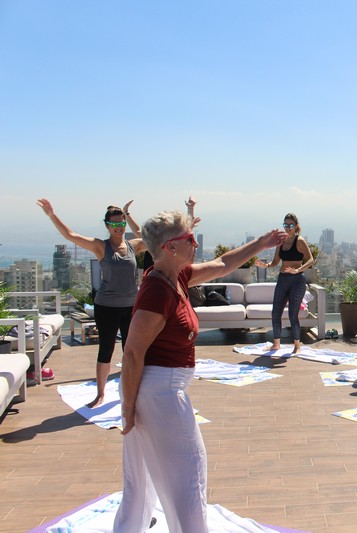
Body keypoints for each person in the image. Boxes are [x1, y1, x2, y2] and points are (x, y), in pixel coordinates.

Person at [113, 209, 285, 531]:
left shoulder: (174, 276)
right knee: (189, 475)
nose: (195, 243)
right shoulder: (156, 291)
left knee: (146, 482)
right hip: (159, 391)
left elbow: (223, 265)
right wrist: (128, 409)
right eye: (188, 238)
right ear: (169, 248)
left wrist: (260, 244)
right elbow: (133, 353)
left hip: (156, 390)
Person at [37, 198, 147, 408]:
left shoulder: (133, 246)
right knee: (105, 350)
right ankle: (100, 394)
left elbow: (145, 236)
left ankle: (132, 391)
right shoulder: (101, 246)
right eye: (114, 224)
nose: (119, 227)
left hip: (130, 306)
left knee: (130, 351)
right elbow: (71, 236)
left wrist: (128, 215)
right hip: (106, 307)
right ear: (107, 226)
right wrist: (52, 214)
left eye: (121, 223)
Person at [256, 213, 314, 354]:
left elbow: (310, 260)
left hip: (297, 280)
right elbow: (276, 262)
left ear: (296, 227)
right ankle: (276, 344)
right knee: (276, 313)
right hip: (282, 279)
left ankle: (297, 346)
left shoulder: (299, 241)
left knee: (292, 315)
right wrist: (266, 265)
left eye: (291, 225)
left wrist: (298, 270)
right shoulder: (280, 242)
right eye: (285, 225)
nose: (288, 228)